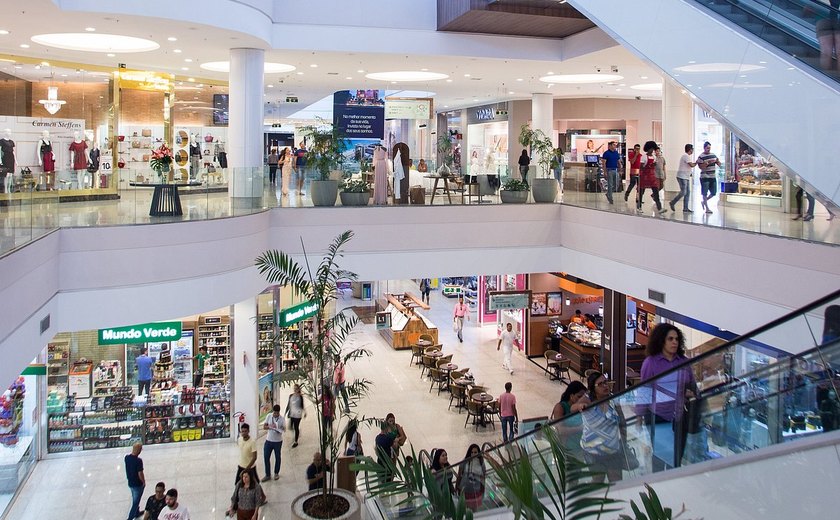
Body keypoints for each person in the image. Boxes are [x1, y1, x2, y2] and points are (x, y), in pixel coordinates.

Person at [637, 324, 697, 469]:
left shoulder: (683, 362)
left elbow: (692, 385)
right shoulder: (651, 363)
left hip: (679, 416)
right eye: (670, 339)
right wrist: (639, 416)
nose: (674, 342)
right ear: (661, 341)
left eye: (676, 339)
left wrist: (690, 393)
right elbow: (644, 390)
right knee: (660, 456)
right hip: (657, 416)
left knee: (676, 458)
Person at [579, 371, 626, 483]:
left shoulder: (613, 400)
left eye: (606, 382)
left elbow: (622, 421)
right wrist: (581, 406)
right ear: (592, 388)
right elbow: (573, 408)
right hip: (593, 451)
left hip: (613, 449)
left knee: (616, 480)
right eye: (600, 384)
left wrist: (624, 441)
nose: (605, 386)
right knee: (598, 480)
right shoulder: (588, 399)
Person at [550, 381, 587, 458]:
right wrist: (579, 429)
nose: (581, 399)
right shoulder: (560, 407)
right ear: (571, 396)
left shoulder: (581, 407)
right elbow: (559, 430)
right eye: (579, 396)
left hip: (581, 447)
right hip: (567, 449)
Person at [456, 444, 485, 511]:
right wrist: (457, 486)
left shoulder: (481, 463)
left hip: (476, 490)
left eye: (475, 452)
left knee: (474, 510)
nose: (473, 454)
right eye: (472, 452)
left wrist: (483, 488)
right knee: (465, 510)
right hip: (465, 489)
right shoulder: (465, 461)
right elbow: (459, 474)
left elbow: (483, 476)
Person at [638, 141, 664, 214]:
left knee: (656, 191)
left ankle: (659, 208)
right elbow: (641, 167)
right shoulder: (644, 157)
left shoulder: (654, 157)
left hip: (652, 176)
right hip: (644, 176)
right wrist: (649, 165)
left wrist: (653, 165)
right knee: (641, 192)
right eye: (651, 149)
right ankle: (639, 206)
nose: (652, 151)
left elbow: (654, 166)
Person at [262, 404, 285, 482]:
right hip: (269, 440)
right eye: (274, 413)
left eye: (277, 413)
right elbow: (264, 427)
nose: (275, 414)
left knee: (277, 457)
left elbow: (284, 428)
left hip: (278, 441)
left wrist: (279, 428)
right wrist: (270, 427)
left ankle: (276, 473)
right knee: (266, 457)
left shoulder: (282, 419)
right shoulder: (269, 416)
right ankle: (267, 474)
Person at [670, 144, 696, 213]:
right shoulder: (686, 156)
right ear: (690, 149)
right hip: (682, 177)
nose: (693, 150)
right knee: (683, 192)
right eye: (692, 149)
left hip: (685, 177)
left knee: (687, 192)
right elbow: (691, 165)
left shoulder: (687, 157)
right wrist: (697, 162)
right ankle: (672, 202)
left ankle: (685, 208)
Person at [696, 141, 721, 214]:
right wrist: (707, 163)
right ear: (704, 148)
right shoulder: (701, 156)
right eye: (707, 148)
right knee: (704, 192)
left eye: (709, 148)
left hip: (713, 176)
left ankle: (704, 201)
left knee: (713, 192)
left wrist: (717, 161)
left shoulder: (713, 155)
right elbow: (700, 167)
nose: (708, 149)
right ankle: (707, 208)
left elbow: (719, 164)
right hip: (705, 177)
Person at [125, 442, 145, 520]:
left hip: (130, 482)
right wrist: (143, 482)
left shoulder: (127, 458)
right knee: (136, 502)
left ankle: (137, 513)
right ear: (139, 450)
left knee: (135, 498)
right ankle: (130, 518)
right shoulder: (138, 461)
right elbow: (140, 473)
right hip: (137, 484)